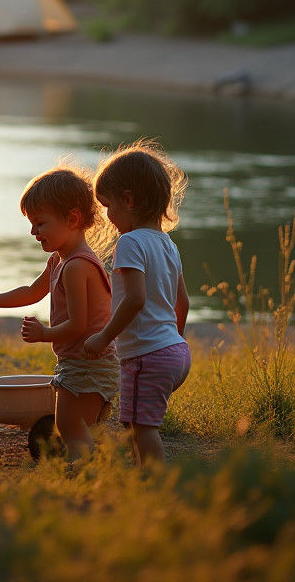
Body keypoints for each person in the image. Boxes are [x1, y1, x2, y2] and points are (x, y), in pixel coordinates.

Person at [0, 165, 119, 459]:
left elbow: (78, 325)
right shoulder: (59, 261)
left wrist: (44, 334)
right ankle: (88, 468)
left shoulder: (77, 267)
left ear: (72, 219)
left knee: (69, 425)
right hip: (79, 362)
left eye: (40, 223)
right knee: (75, 426)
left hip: (90, 365)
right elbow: (31, 292)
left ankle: (82, 473)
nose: (33, 232)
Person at [83, 140, 190, 467]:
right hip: (174, 352)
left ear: (128, 200)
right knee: (133, 423)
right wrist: (174, 341)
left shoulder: (130, 243)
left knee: (142, 428)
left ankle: (154, 484)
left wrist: (104, 337)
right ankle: (143, 476)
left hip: (148, 356)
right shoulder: (168, 244)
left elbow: (135, 298)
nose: (107, 215)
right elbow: (182, 303)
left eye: (107, 206)